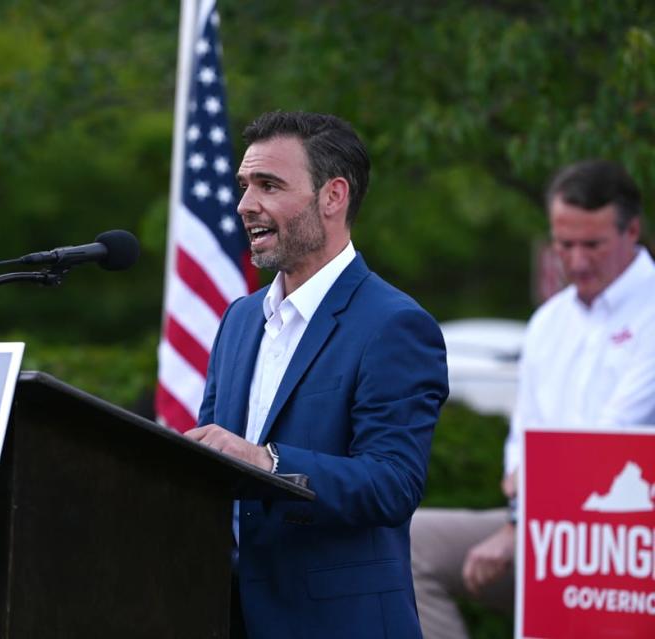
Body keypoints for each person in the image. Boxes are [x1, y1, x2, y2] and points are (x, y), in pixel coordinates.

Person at [184, 111, 449, 639]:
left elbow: (393, 484)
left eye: (269, 185)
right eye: (244, 186)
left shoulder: (395, 325)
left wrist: (267, 462)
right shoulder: (239, 319)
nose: (244, 204)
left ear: (333, 196)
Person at [411, 159, 655, 639]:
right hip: (542, 522)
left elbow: (607, 444)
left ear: (632, 232)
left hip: (629, 536)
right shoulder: (550, 322)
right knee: (405, 543)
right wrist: (526, 513)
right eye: (565, 244)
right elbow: (524, 439)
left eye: (594, 244)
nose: (578, 260)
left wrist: (523, 523)